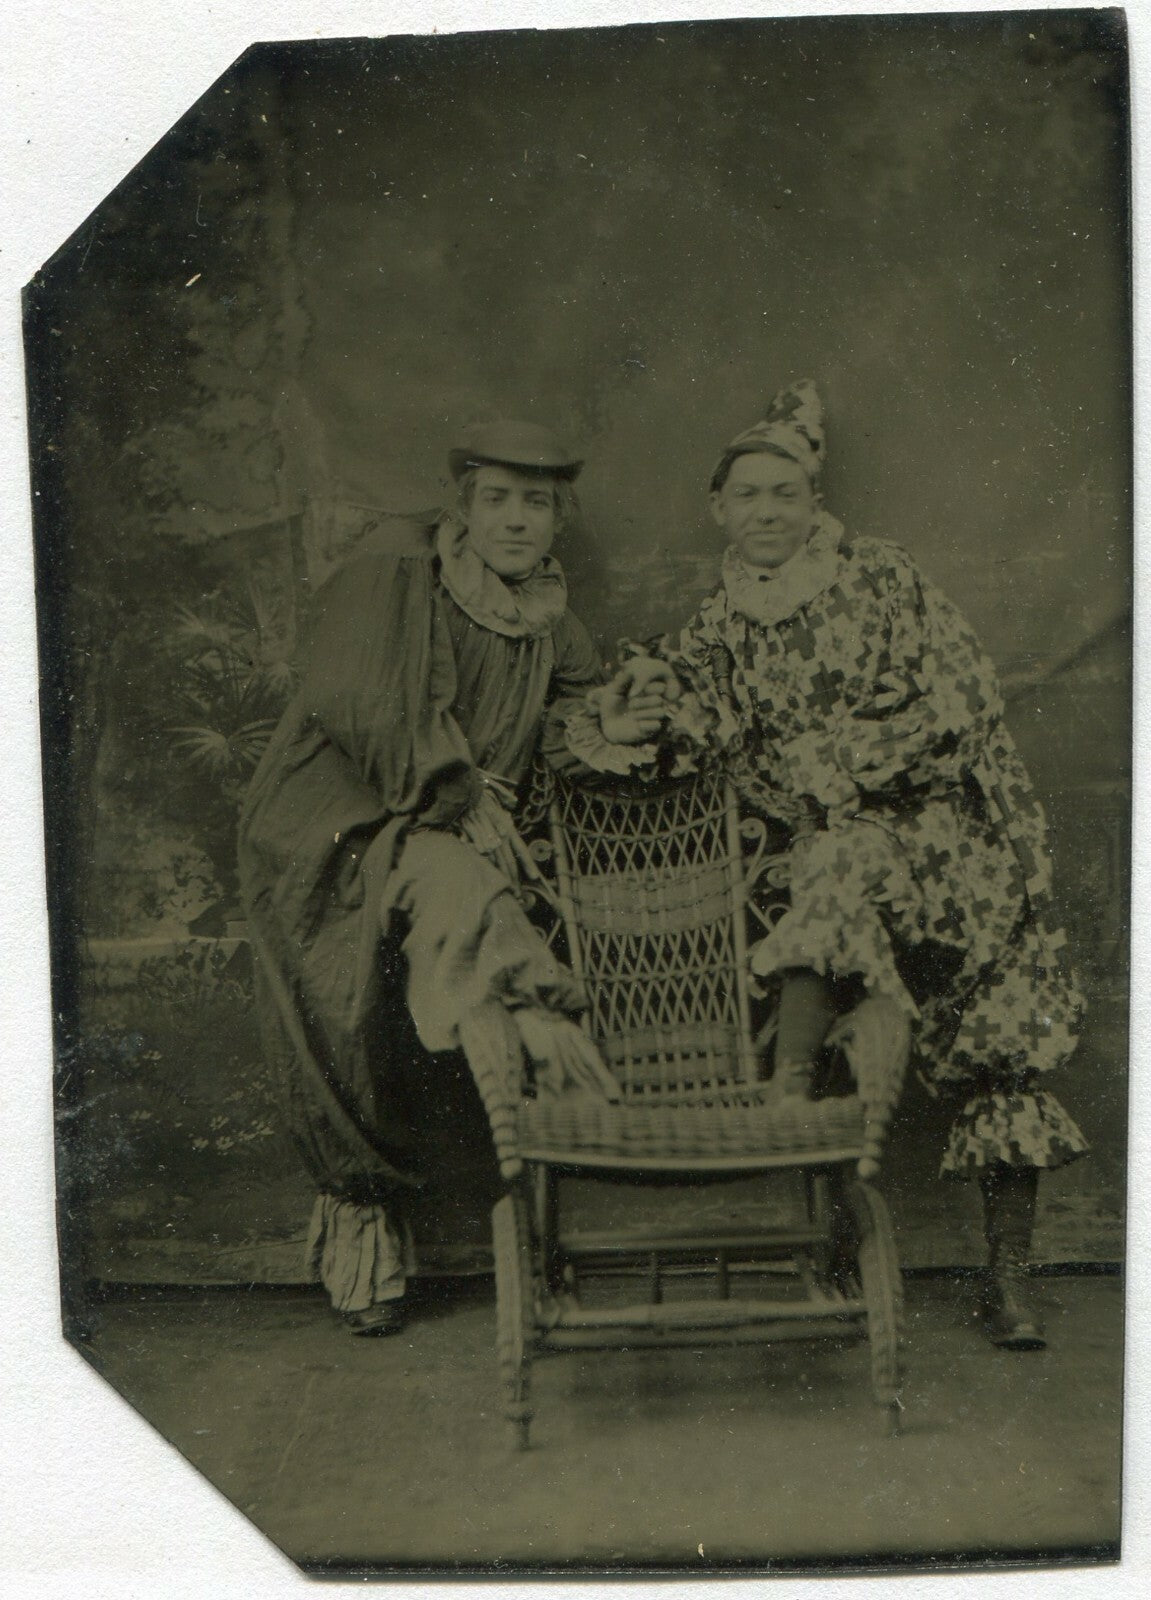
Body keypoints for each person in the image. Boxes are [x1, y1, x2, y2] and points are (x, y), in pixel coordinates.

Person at [564, 381, 1089, 1350]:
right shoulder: (723, 624)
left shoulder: (883, 577)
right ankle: (798, 1110)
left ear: (813, 503)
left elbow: (964, 697)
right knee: (835, 866)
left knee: (998, 1048)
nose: (766, 512)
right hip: (842, 863)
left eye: (784, 494)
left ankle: (1008, 1277)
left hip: (949, 842)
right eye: (747, 496)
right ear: (717, 509)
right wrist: (628, 707)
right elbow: (688, 715)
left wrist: (844, 759)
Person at [238, 421, 660, 1335]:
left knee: (456, 899)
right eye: (497, 499)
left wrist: (610, 725)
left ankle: (531, 1064)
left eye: (537, 503)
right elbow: (358, 703)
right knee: (383, 970)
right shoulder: (398, 572)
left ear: (559, 517)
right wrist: (453, 794)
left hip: (446, 825)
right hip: (337, 823)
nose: (516, 521)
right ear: (462, 505)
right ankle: (541, 1020)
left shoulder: (547, 611)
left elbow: (567, 722)